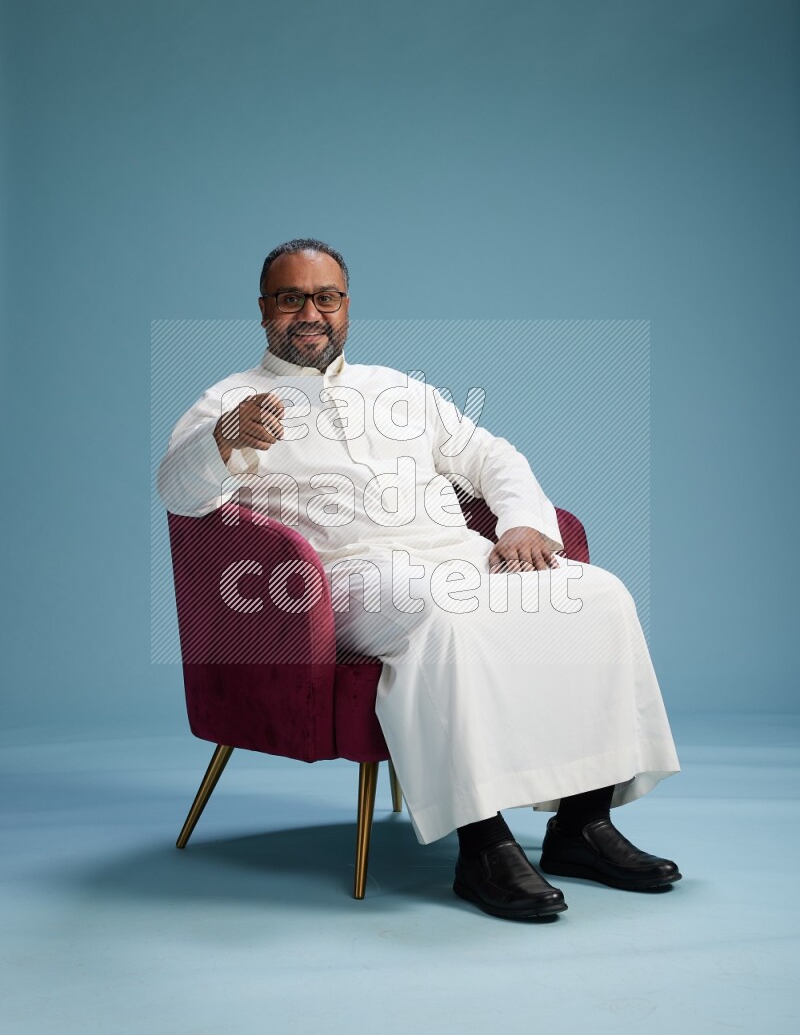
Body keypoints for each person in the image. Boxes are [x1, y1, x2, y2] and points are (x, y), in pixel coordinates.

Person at [157, 237, 682, 921]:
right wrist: (222, 440)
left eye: (326, 297)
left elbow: (492, 456)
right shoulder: (227, 401)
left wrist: (523, 523)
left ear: (346, 306)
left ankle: (583, 825)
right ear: (264, 310)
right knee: (446, 613)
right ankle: (482, 844)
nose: (310, 312)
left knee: (597, 595)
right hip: (340, 580)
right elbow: (178, 493)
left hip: (457, 552)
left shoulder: (399, 390)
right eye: (292, 298)